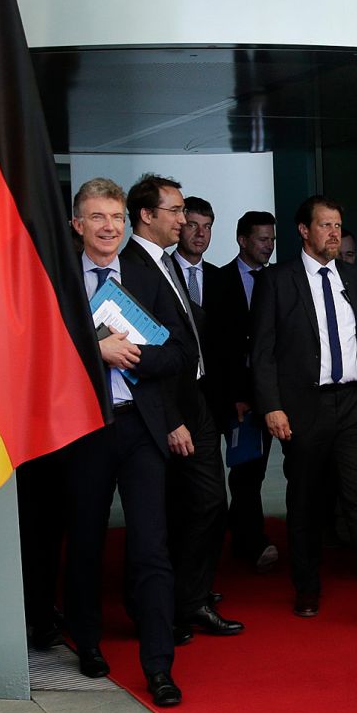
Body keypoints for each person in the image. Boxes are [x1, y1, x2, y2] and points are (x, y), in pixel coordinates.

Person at [251, 195, 357, 624]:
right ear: (304, 231)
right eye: (325, 226)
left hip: (351, 404)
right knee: (306, 498)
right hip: (303, 404)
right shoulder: (278, 280)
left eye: (337, 226)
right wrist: (272, 406)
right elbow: (263, 351)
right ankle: (306, 587)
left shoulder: (354, 277)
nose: (333, 233)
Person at [58, 178, 194, 707]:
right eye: (96, 217)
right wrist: (98, 353)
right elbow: (44, 354)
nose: (109, 227)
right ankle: (87, 643)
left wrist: (130, 352)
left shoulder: (145, 274)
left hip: (140, 428)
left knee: (151, 546)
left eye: (115, 217)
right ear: (78, 225)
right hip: (84, 429)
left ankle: (159, 665)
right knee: (87, 541)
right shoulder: (61, 279)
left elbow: (179, 353)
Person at [127, 175, 242, 644]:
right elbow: (140, 351)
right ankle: (168, 604)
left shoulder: (166, 262)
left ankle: (189, 597)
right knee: (176, 508)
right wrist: (172, 416)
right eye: (174, 211)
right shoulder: (132, 266)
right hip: (166, 407)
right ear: (147, 215)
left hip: (195, 399)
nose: (182, 219)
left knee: (209, 502)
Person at [203, 209, 278, 570]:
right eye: (262, 239)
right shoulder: (217, 281)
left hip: (269, 393)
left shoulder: (278, 280)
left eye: (272, 239)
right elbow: (216, 346)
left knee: (254, 471)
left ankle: (245, 535)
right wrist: (236, 394)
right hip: (231, 395)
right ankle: (247, 541)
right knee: (240, 470)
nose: (269, 246)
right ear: (243, 240)